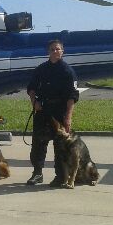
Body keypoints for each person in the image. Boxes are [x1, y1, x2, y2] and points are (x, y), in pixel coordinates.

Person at [26, 39, 79, 186]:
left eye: (58, 49)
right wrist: (34, 102)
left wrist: (68, 118)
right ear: (48, 52)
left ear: (62, 51)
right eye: (52, 49)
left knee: (60, 147)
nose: (55, 52)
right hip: (43, 111)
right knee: (38, 144)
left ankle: (60, 176)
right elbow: (31, 88)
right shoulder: (41, 69)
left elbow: (72, 97)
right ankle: (37, 173)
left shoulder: (68, 71)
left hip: (59, 112)